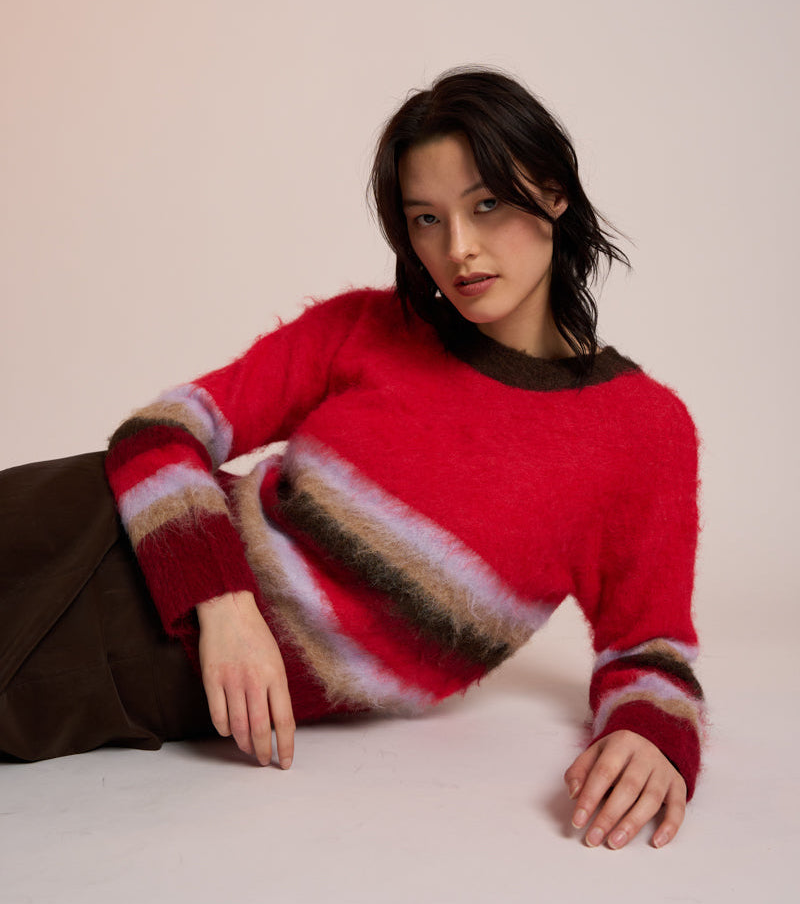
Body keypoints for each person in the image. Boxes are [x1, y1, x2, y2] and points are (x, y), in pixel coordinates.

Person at [0, 68, 705, 852]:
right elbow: (160, 430)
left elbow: (649, 647)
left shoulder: (642, 432)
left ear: (554, 191)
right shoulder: (365, 328)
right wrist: (223, 604)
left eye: (486, 205)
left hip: (140, 674)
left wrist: (652, 735)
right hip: (91, 534)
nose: (459, 248)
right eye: (427, 219)